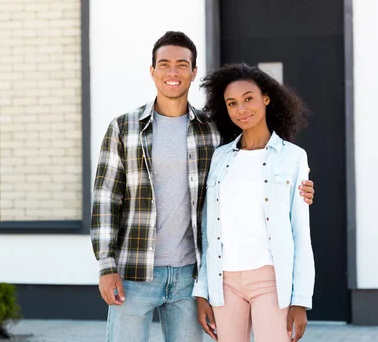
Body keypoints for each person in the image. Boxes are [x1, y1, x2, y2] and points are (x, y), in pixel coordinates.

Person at [90, 31, 315, 342]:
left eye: (182, 64)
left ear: (194, 72)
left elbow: (252, 170)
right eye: (164, 64)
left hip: (189, 276)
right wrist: (106, 266)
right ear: (152, 70)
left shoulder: (212, 131)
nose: (173, 72)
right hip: (134, 271)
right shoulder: (124, 128)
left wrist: (298, 189)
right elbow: (105, 200)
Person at [192, 63, 315, 342]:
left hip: (270, 280)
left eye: (249, 98)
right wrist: (202, 291)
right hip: (225, 282)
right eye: (232, 103)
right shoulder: (220, 157)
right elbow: (206, 231)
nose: (241, 109)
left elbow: (300, 232)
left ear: (266, 99)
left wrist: (300, 300)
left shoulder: (293, 157)